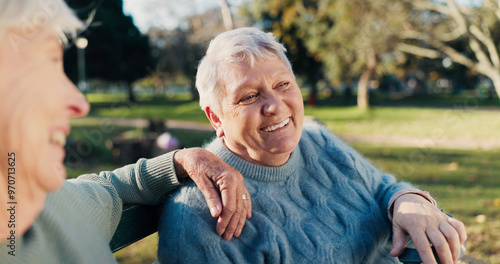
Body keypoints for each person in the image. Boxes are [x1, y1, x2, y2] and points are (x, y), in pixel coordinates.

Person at [157, 27, 467, 264]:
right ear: (216, 118)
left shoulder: (316, 139)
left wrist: (407, 199)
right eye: (249, 96)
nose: (275, 106)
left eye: (283, 85)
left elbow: (381, 188)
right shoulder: (198, 217)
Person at [0, 1, 250, 263]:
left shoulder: (57, 203)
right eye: (41, 68)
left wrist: (183, 160)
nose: (79, 102)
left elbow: (113, 187)